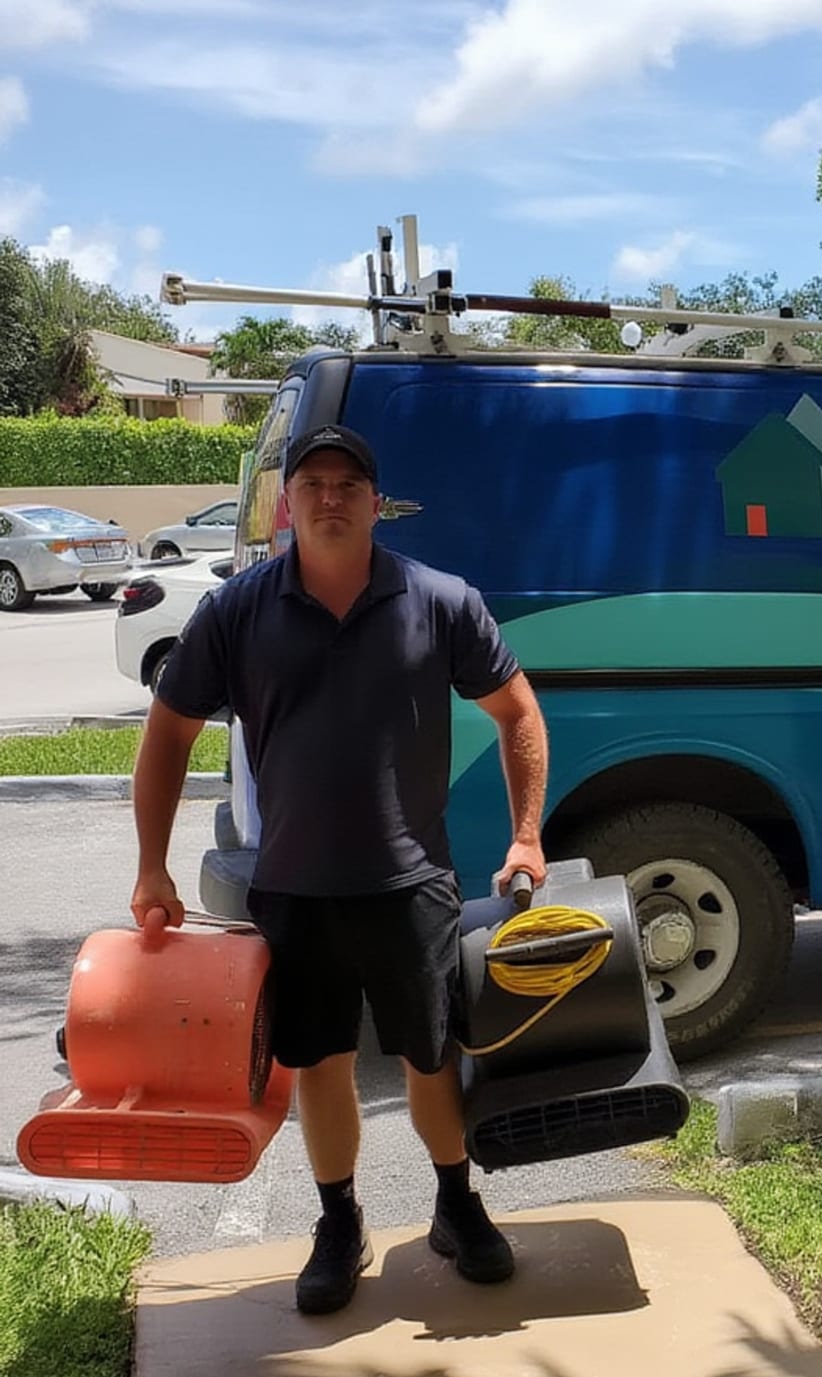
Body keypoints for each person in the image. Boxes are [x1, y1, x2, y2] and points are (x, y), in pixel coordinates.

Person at [131, 424, 549, 1316]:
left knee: (431, 1060)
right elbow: (167, 732)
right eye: (311, 482)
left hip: (412, 888)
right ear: (288, 501)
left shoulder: (438, 601)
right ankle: (338, 1219)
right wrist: (151, 870)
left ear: (374, 500)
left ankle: (454, 1204)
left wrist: (525, 835)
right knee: (319, 1065)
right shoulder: (238, 610)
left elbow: (517, 711)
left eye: (347, 483)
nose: (329, 497)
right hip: (295, 888)